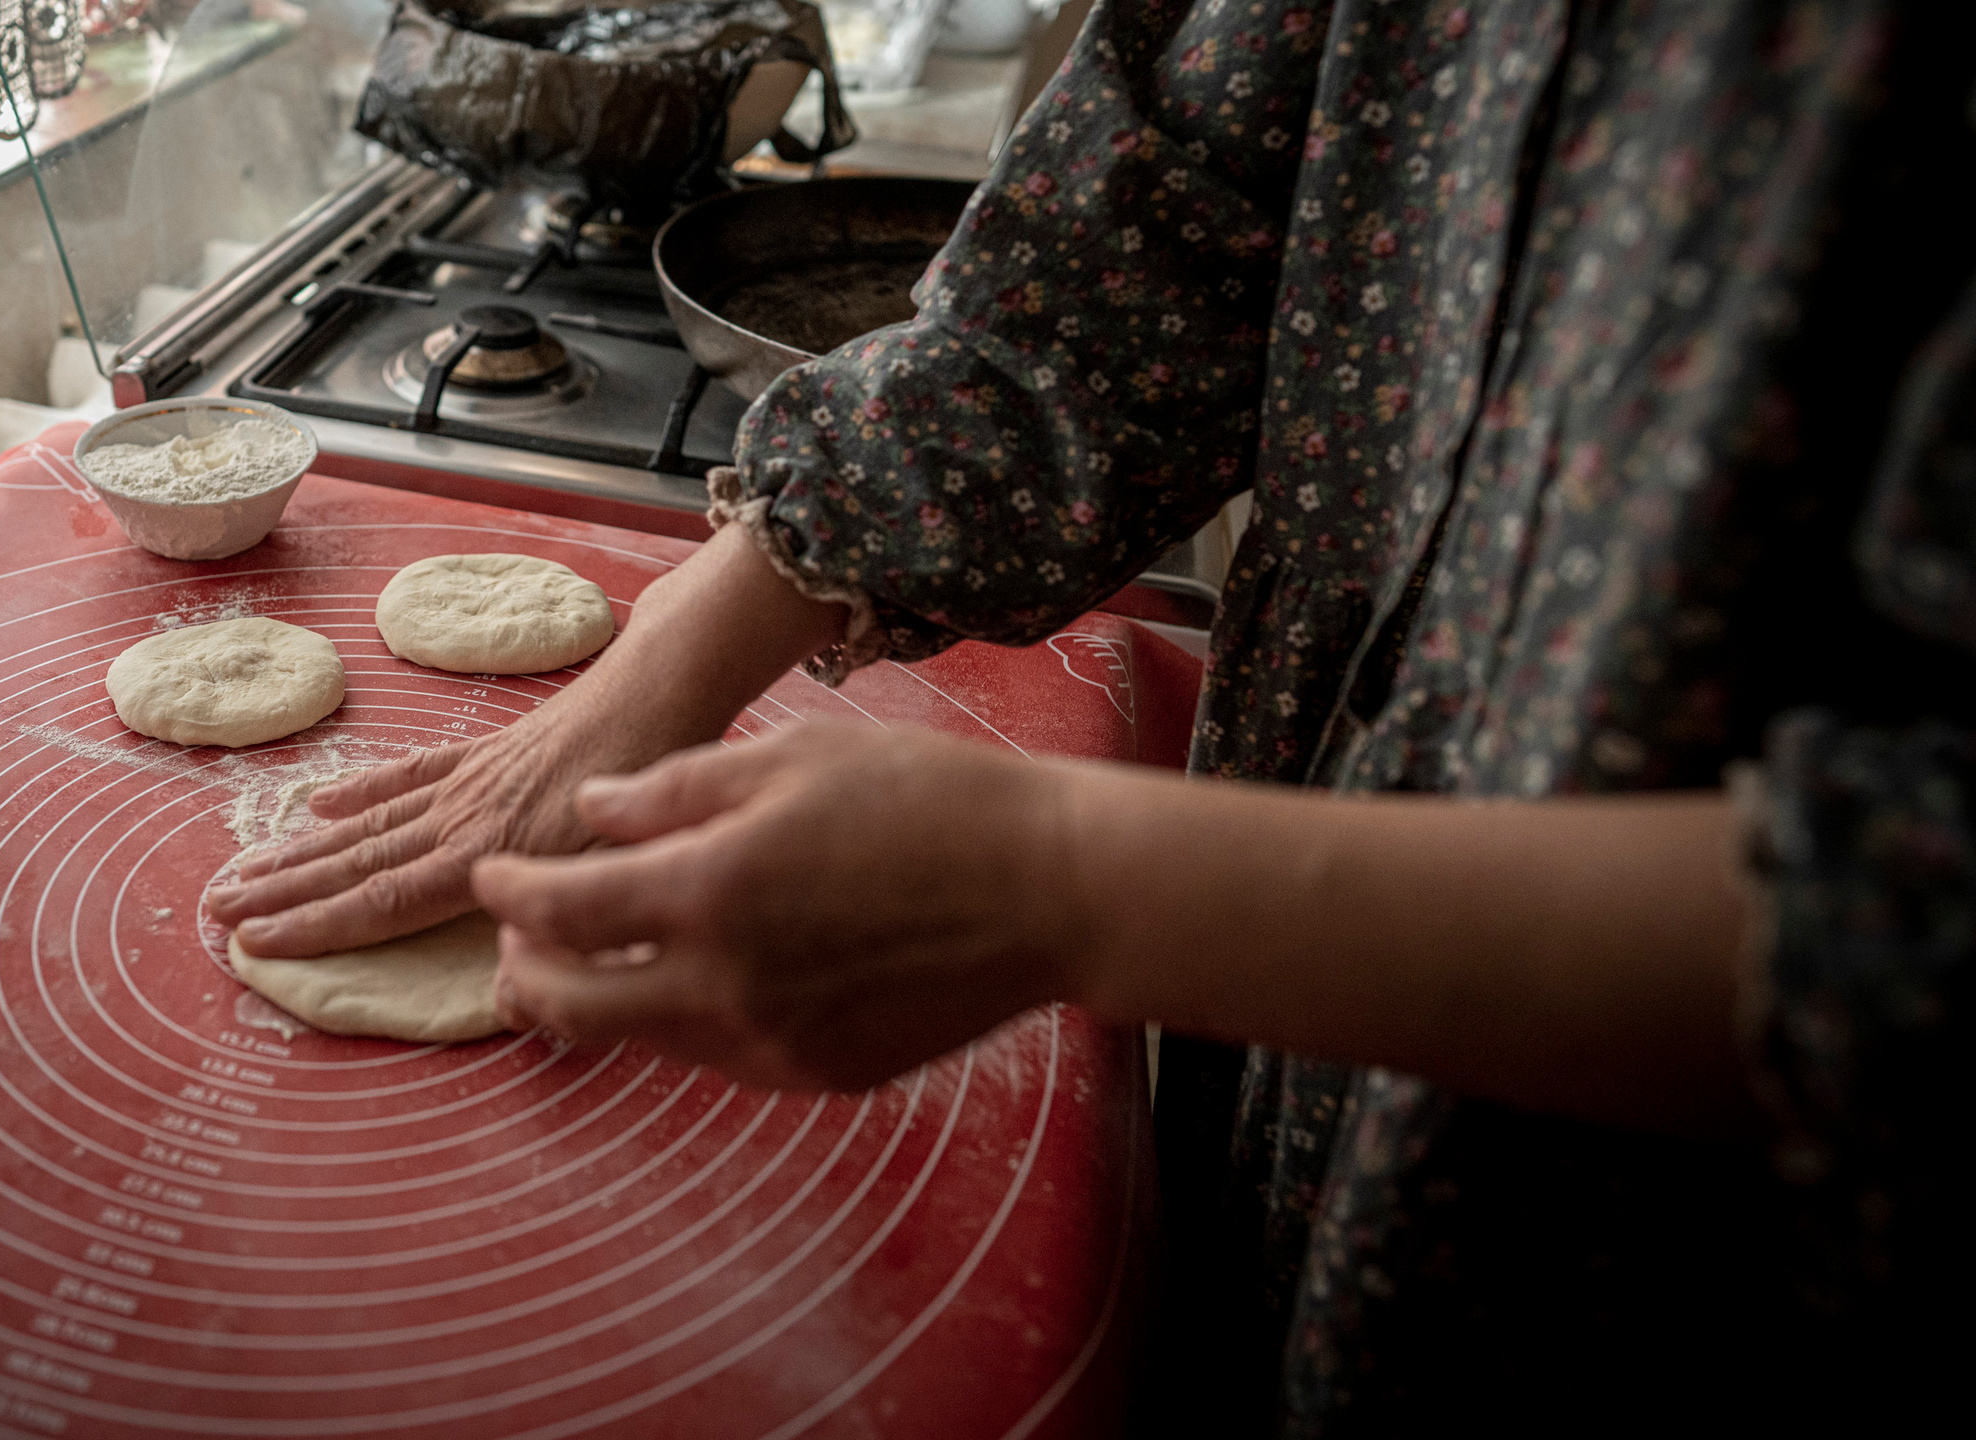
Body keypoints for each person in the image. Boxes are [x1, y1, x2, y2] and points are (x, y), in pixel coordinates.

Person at [210, 0, 1976, 1429]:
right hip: (1297, 1070)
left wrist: (1078, 890)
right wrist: (675, 651)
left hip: (1711, 1271)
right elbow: (1162, 225)